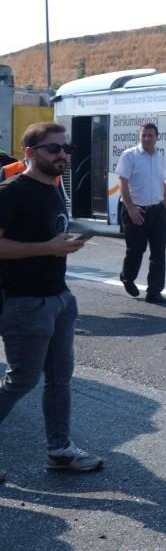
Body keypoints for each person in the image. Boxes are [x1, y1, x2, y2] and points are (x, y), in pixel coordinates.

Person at [0, 122, 103, 482]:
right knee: (21, 381)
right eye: (53, 149)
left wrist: (69, 240)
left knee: (60, 379)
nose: (63, 155)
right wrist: (49, 248)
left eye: (66, 149)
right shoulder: (11, 192)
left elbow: (47, 233)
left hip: (59, 299)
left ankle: (60, 449)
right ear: (30, 153)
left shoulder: (54, 188)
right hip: (25, 303)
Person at [117, 123, 166, 304]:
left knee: (159, 253)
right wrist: (130, 208)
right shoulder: (129, 155)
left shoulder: (159, 157)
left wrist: (165, 207)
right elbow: (122, 184)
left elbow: (162, 183)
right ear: (139, 137)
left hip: (156, 210)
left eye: (150, 135)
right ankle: (127, 277)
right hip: (136, 210)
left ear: (157, 137)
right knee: (136, 251)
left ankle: (154, 292)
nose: (147, 138)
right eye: (144, 135)